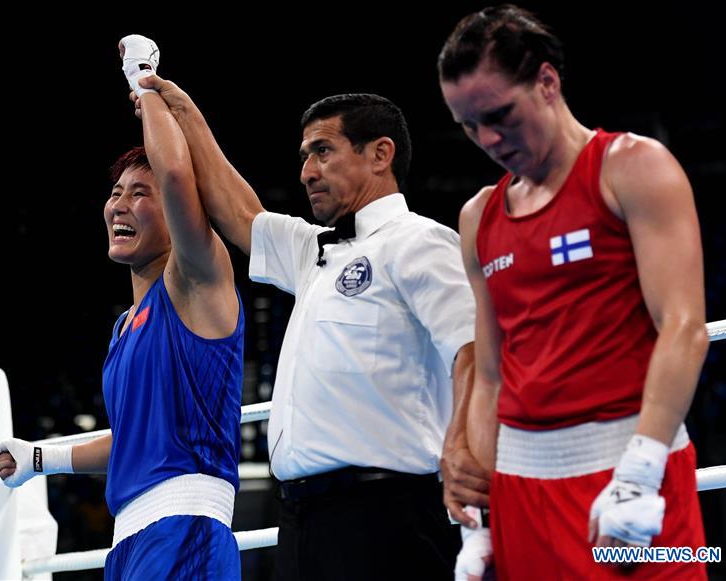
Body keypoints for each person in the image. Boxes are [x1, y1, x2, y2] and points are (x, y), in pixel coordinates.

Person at [130, 56, 477, 580]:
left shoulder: (420, 242)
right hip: (300, 516)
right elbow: (237, 210)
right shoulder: (314, 251)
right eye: (304, 155)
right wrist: (182, 110)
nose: (306, 171)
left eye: (323, 151)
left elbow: (472, 349)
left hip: (386, 510)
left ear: (381, 154)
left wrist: (461, 447)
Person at [437, 5, 709, 579]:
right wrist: (481, 526)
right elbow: (491, 374)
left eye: (499, 115)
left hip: (632, 476)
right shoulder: (479, 216)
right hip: (522, 491)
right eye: (467, 125)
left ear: (547, 82)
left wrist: (640, 471)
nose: (486, 139)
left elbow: (684, 327)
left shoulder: (632, 168)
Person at [0, 36, 245, 580]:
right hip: (129, 538)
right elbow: (133, 438)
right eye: (116, 192)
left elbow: (177, 175)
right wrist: (40, 459)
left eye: (139, 193)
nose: (119, 205)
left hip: (186, 527)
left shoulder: (197, 279)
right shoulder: (125, 326)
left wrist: (142, 82)